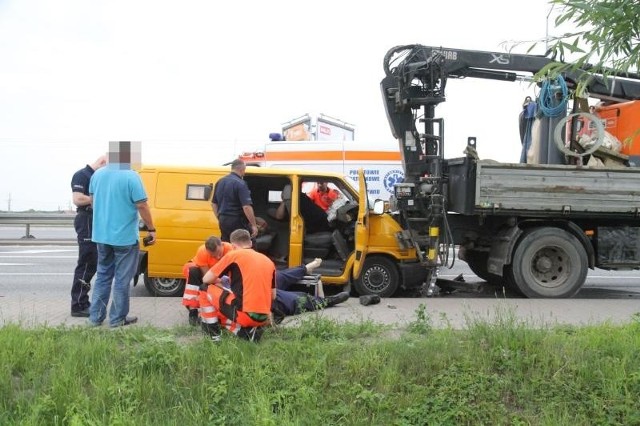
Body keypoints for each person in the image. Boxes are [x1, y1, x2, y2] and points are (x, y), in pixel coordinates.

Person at [88, 141, 156, 328]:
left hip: (101, 236)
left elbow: (93, 203)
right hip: (125, 238)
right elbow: (142, 205)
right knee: (121, 279)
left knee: (102, 276)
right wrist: (151, 229)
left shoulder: (97, 175)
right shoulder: (131, 177)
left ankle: (95, 318)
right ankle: (117, 319)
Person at [199, 229, 276, 342]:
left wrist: (218, 282)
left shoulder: (233, 255)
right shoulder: (268, 261)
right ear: (250, 243)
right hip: (263, 317)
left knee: (204, 289)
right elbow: (273, 296)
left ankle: (213, 335)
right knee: (229, 303)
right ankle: (247, 332)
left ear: (233, 246)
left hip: (245, 314)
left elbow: (206, 279)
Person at [69, 154, 107, 317]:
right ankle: (78, 305)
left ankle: (83, 301)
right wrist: (101, 199)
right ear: (103, 162)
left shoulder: (97, 176)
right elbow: (77, 199)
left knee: (93, 263)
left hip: (95, 221)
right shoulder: (82, 175)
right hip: (86, 220)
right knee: (86, 263)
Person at [272, 258, 350, 324]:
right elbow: (273, 296)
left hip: (264, 287)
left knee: (279, 276)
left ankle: (306, 268)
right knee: (297, 299)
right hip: (266, 297)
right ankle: (326, 301)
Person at [181, 235, 233, 325]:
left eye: (219, 253)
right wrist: (219, 282)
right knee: (192, 270)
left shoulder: (230, 249)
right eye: (213, 255)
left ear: (222, 245)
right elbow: (207, 277)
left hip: (222, 273)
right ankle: (193, 311)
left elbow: (233, 271)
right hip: (207, 273)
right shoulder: (202, 251)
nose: (217, 257)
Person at [211, 159, 259, 242]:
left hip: (223, 220)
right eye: (244, 170)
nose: (244, 173)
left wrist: (219, 217)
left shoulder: (220, 182)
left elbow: (213, 204)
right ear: (242, 169)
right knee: (246, 244)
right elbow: (246, 206)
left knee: (227, 245)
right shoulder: (241, 183)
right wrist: (254, 225)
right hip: (237, 220)